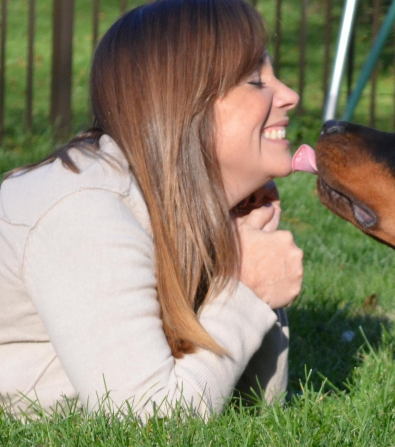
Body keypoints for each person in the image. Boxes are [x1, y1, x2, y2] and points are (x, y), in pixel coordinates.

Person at [0, 0, 303, 418]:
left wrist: (244, 248)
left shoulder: (181, 205)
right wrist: (245, 289)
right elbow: (149, 424)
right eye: (255, 80)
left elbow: (255, 408)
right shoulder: (86, 214)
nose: (290, 95)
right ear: (186, 101)